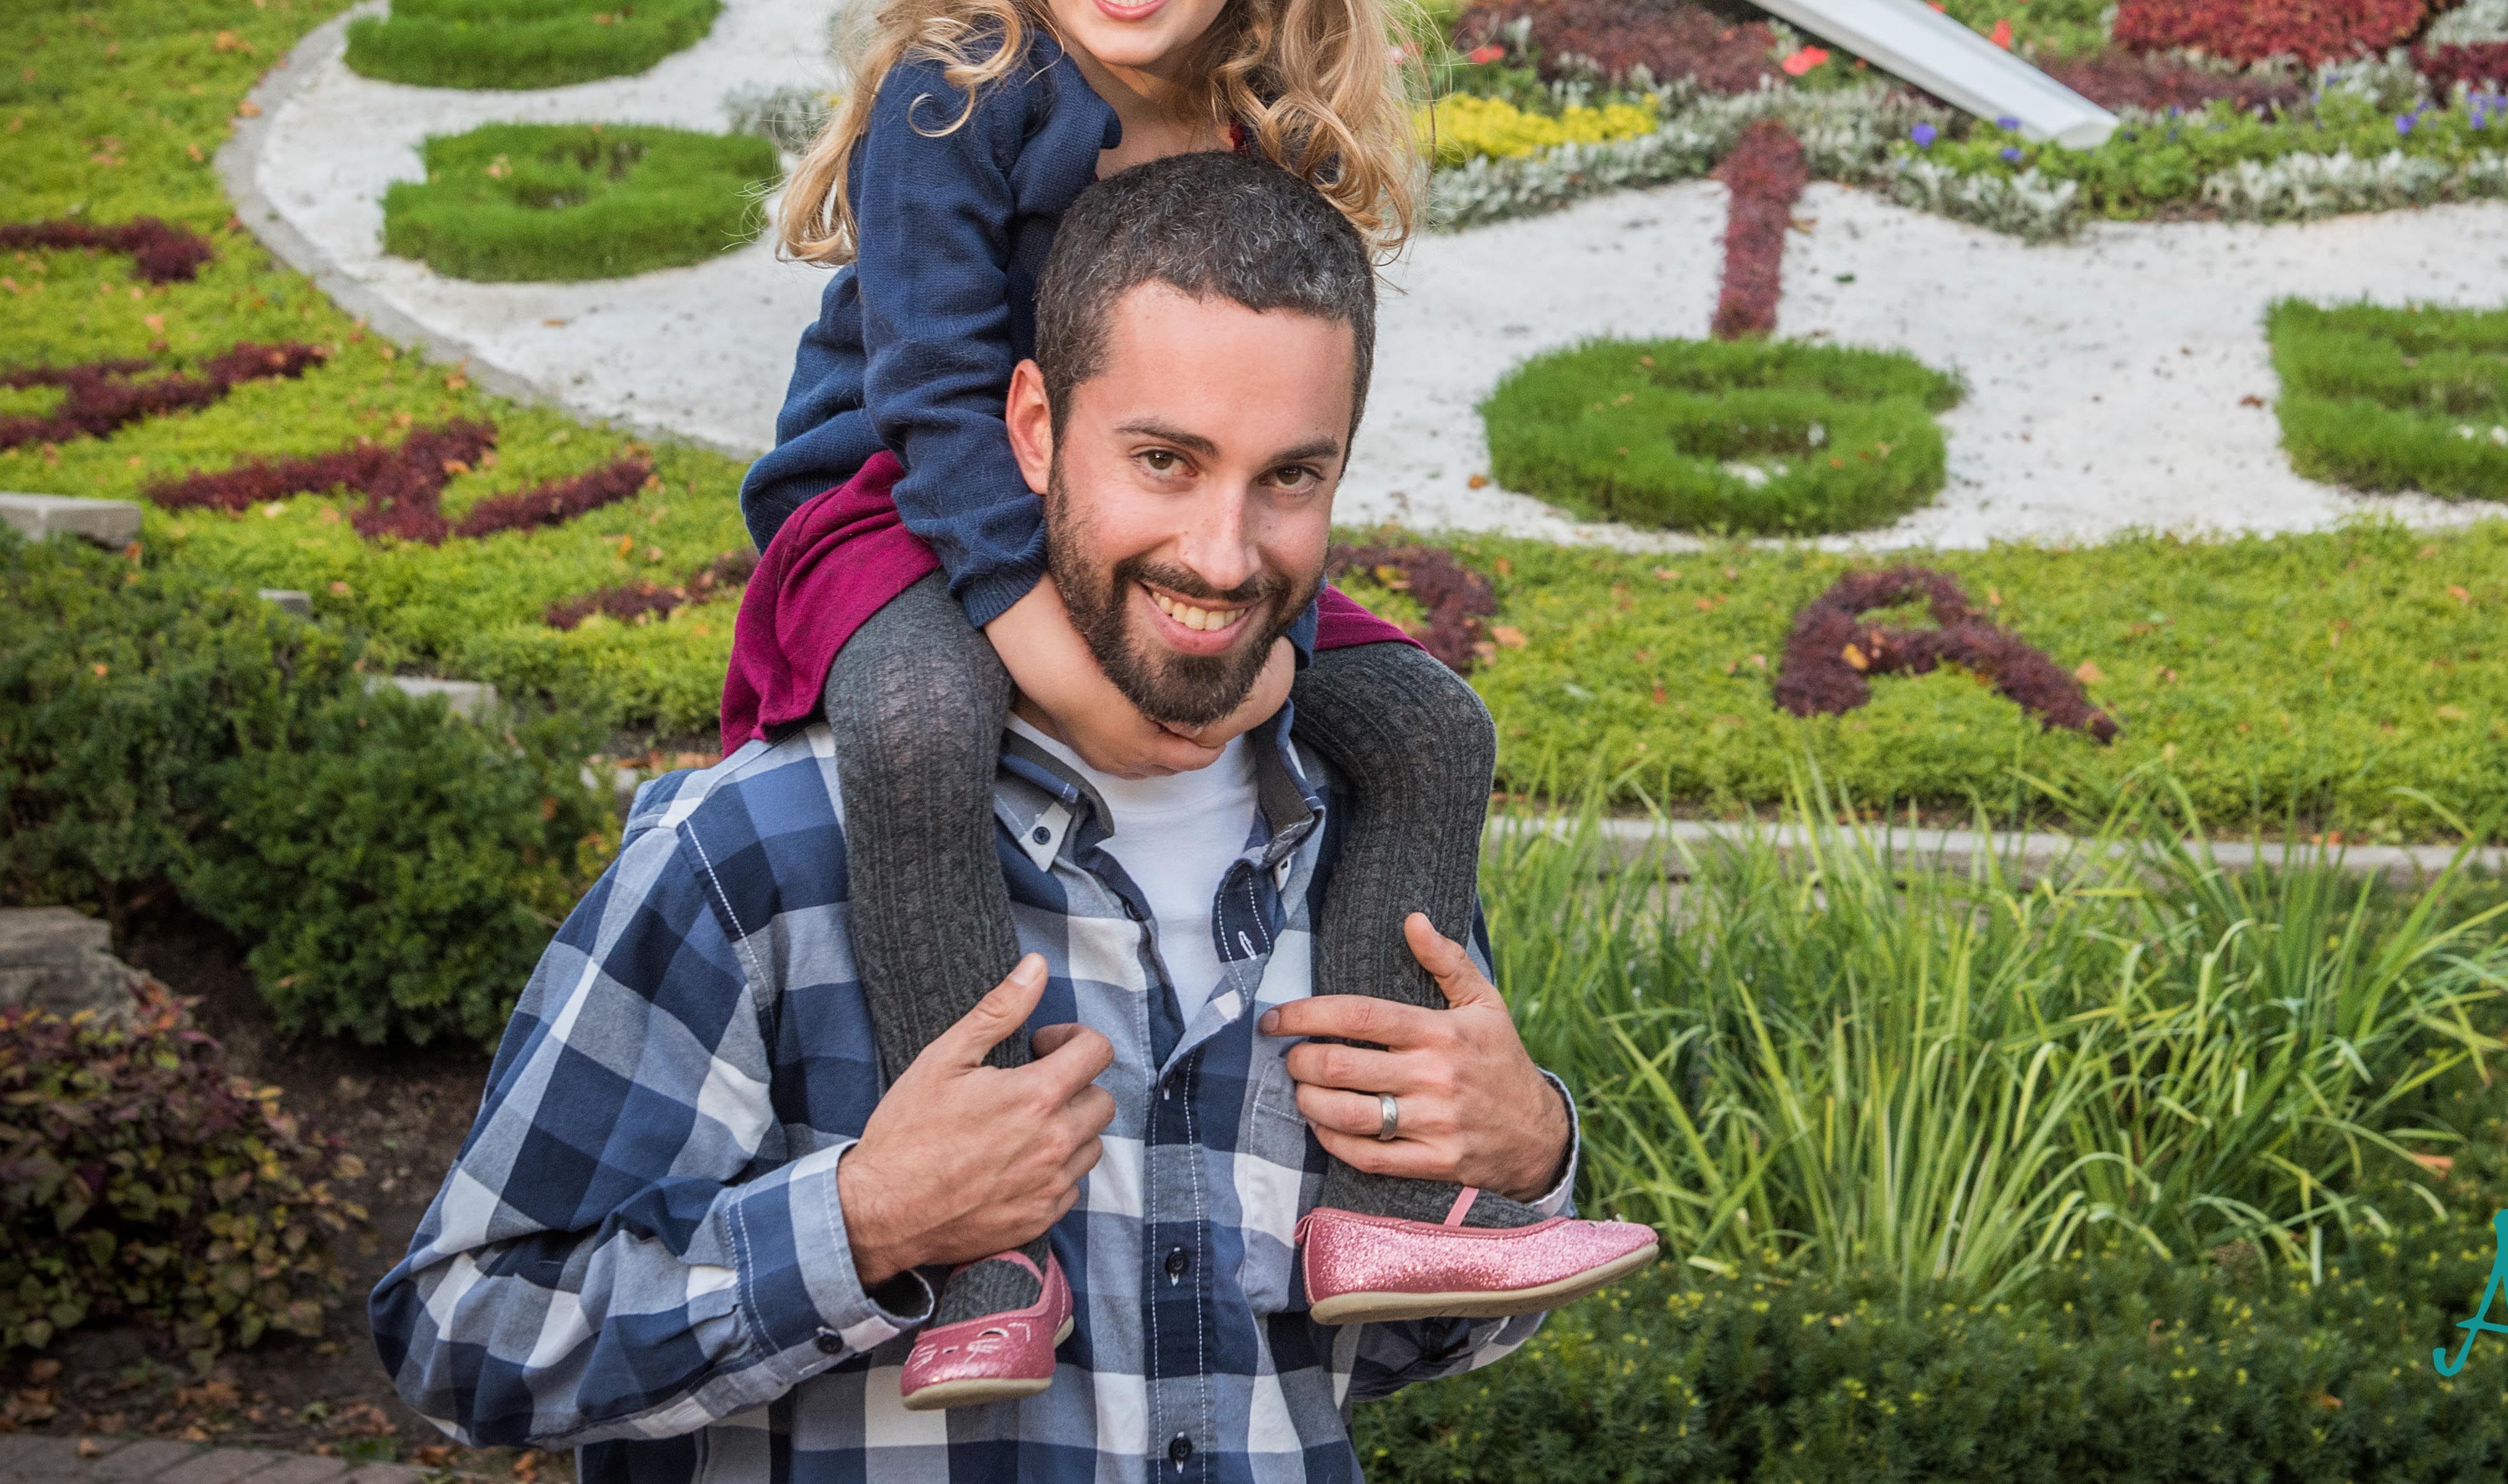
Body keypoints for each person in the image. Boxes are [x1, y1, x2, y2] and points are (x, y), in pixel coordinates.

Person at [370, 151, 1656, 1482]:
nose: (1223, 554)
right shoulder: (761, 852)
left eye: (1289, 478)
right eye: (1163, 460)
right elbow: (462, 1338)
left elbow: (1384, 1349)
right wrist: (864, 1226)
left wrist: (1523, 1162)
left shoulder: (1363, 842)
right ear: (1032, 431)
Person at [722, 0, 1648, 1406]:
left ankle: (1388, 1209)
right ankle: (981, 1252)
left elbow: (1257, 429)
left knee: (1427, 726)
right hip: (897, 502)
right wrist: (1061, 666)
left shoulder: (1249, 124)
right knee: (917, 722)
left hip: (1137, 525)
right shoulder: (957, 86)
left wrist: (1237, 618)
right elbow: (935, 401)